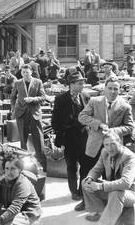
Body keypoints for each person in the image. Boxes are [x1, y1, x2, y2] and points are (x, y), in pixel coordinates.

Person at [76, 76, 134, 211]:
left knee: (111, 176)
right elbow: (82, 117)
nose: (113, 92)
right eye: (110, 88)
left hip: (113, 147)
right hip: (95, 145)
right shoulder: (94, 101)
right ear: (104, 89)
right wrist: (99, 124)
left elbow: (130, 127)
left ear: (119, 90)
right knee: (88, 172)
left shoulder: (125, 106)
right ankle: (86, 201)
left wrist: (115, 130)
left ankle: (109, 206)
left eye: (116, 89)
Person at [51, 71, 90, 201]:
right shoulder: (61, 99)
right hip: (69, 138)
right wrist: (61, 135)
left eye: (83, 83)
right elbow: (55, 121)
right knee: (72, 166)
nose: (83, 85)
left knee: (85, 164)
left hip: (84, 137)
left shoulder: (86, 96)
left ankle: (82, 189)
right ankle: (74, 191)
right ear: (71, 84)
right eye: (80, 83)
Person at [82, 131, 135, 225]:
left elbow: (126, 183)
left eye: (113, 144)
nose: (109, 148)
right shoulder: (104, 152)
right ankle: (100, 213)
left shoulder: (129, 157)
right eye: (106, 145)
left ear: (120, 142)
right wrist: (89, 179)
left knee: (116, 193)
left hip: (131, 193)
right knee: (85, 182)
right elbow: (96, 170)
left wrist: (100, 186)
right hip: (114, 189)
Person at [11, 64, 46, 171]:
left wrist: (33, 99)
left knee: (38, 138)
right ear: (21, 73)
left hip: (34, 113)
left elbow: (43, 97)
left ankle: (41, 161)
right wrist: (13, 107)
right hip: (21, 113)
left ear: (31, 72)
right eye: (24, 72)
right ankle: (24, 162)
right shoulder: (17, 83)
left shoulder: (38, 82)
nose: (26, 74)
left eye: (27, 72)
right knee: (22, 137)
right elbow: (12, 97)